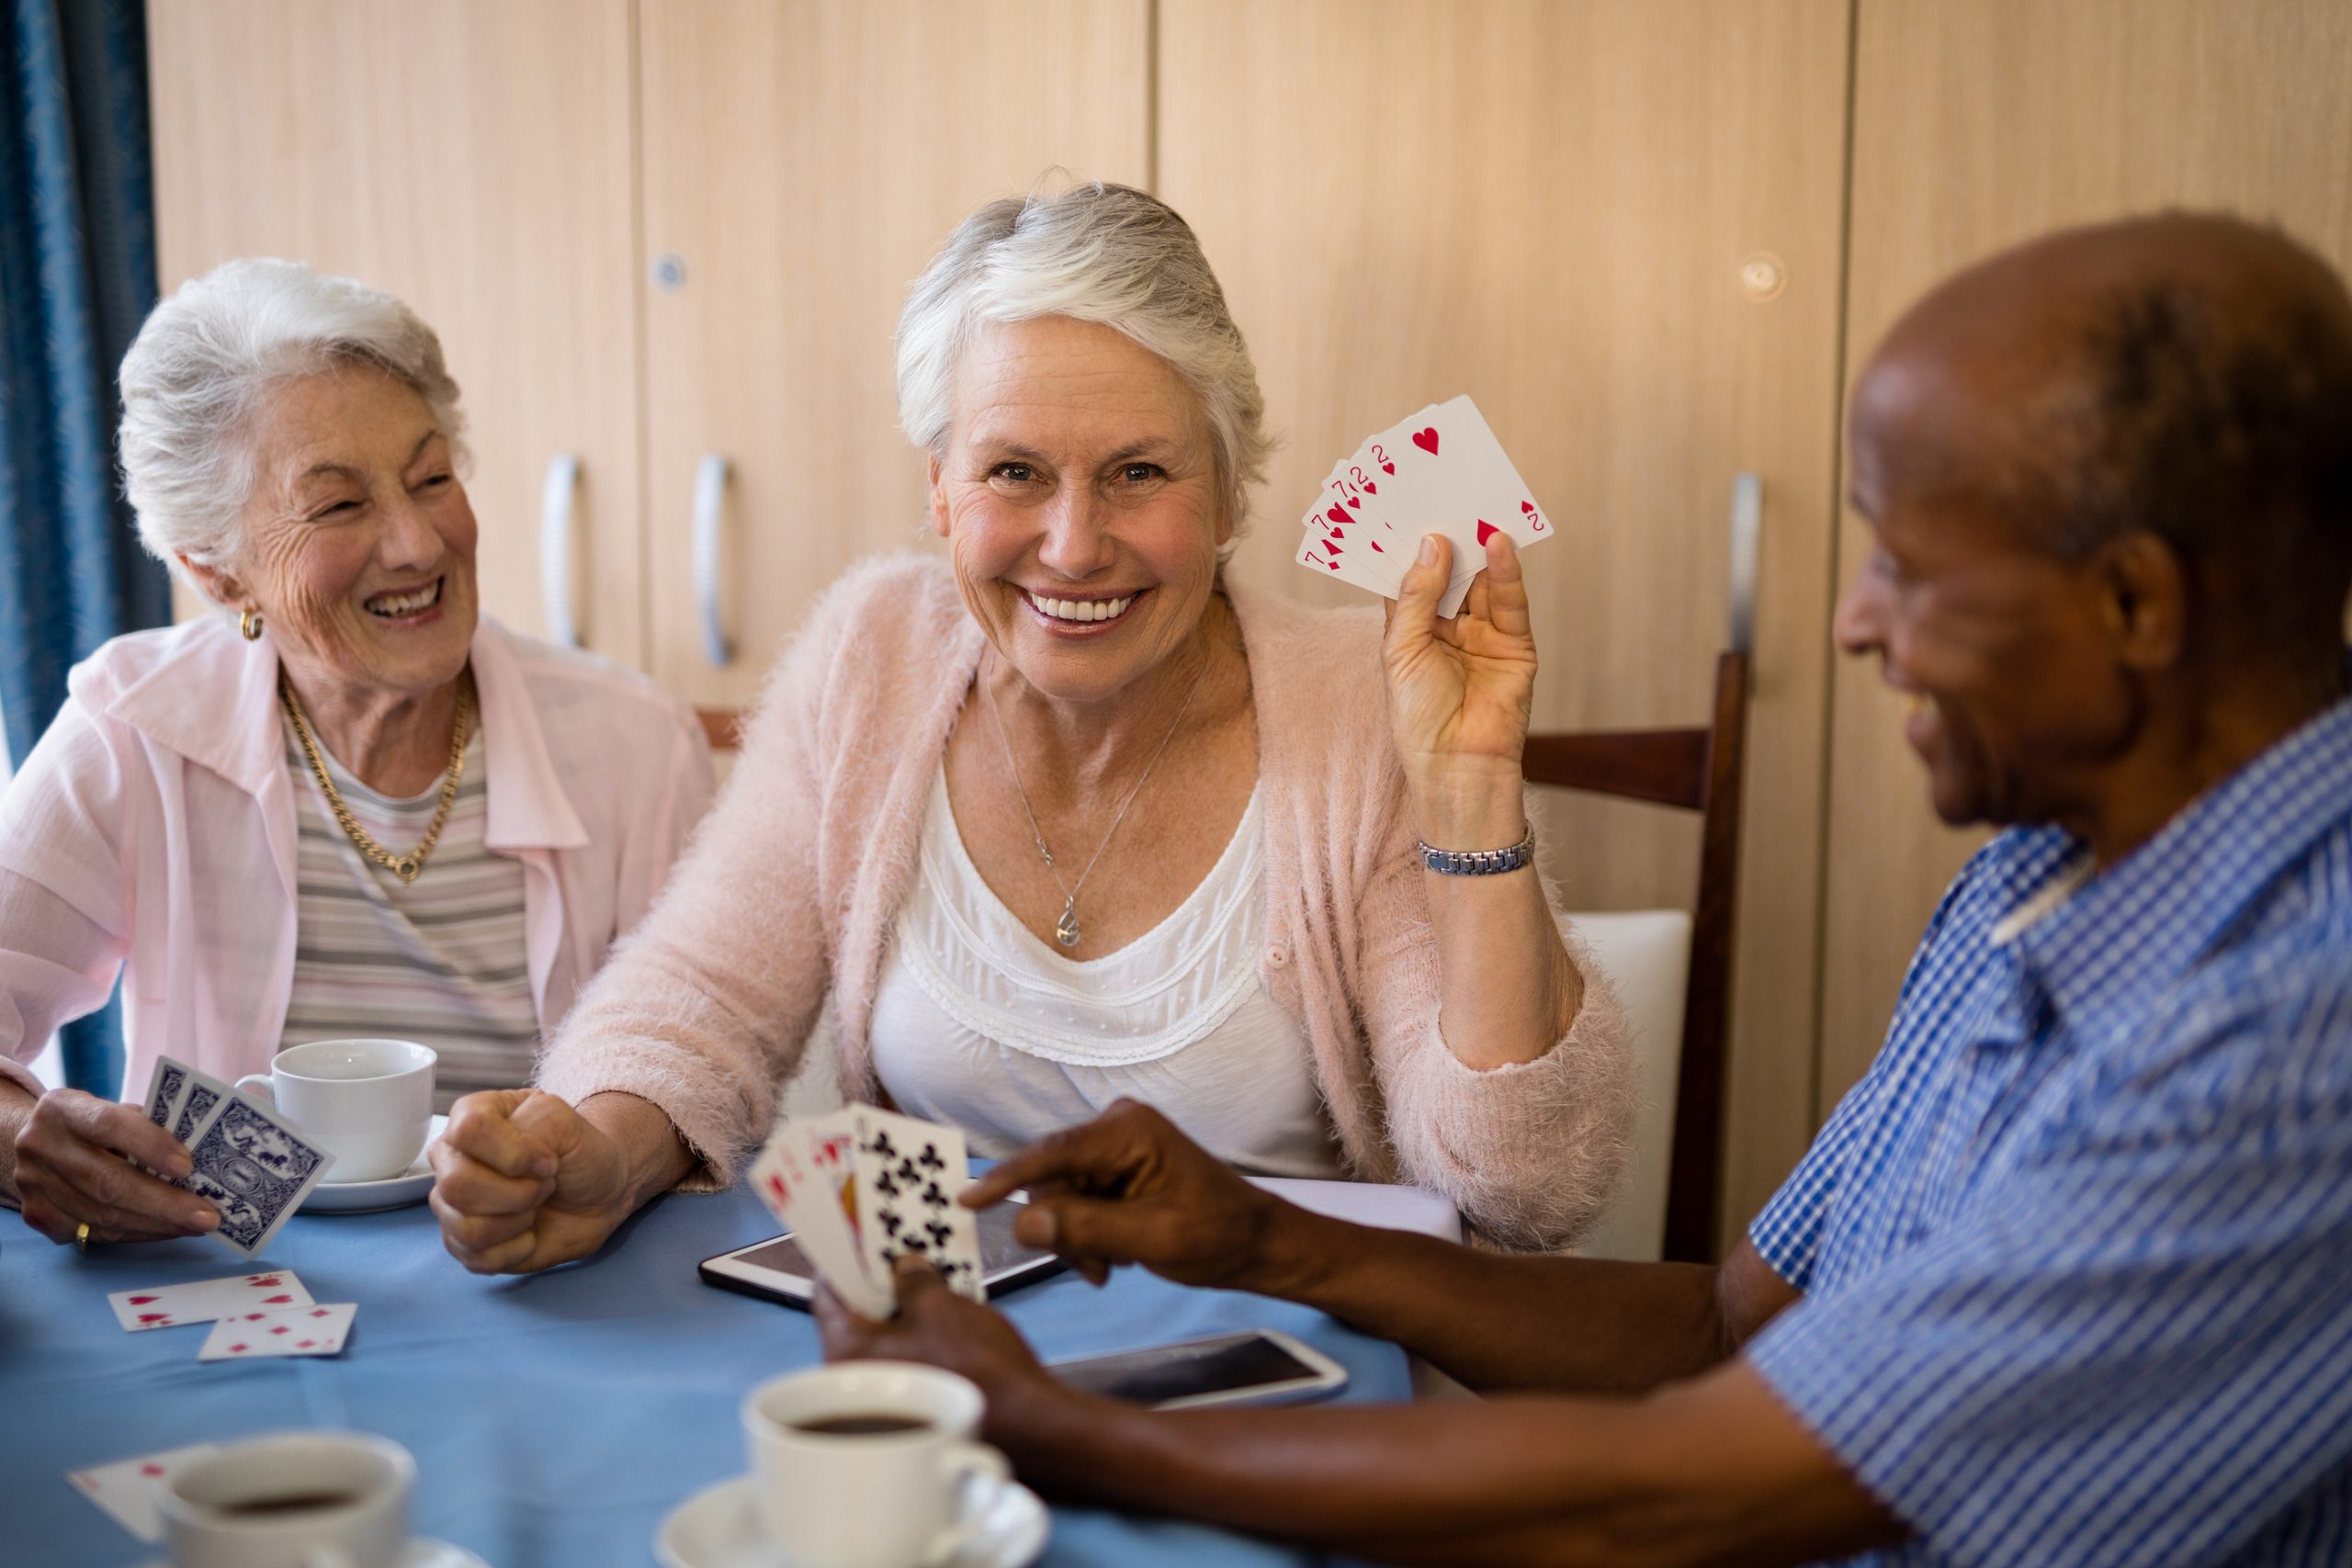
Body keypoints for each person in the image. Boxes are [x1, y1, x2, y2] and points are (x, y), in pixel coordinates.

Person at [819, 211, 2352, 1566]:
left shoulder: (2304, 1025)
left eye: (1908, 561)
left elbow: (1691, 1497)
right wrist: (1274, 1240)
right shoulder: (2039, 874)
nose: (1854, 622)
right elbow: (1728, 1333)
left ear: (2136, 600)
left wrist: (1056, 1425)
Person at [427, 181, 1636, 1275]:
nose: (1071, 544)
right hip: (936, 1366)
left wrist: (1474, 799)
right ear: (939, 487)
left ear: (1228, 495)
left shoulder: (1354, 701)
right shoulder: (872, 653)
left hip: (1266, 1377)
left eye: (1137, 473)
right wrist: (591, 1137)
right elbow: (699, 997)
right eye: (1014, 471)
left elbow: (1521, 1190)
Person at [0, 259, 715, 1249]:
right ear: (216, 569)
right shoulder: (135, 729)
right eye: (339, 506)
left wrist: (607, 1152)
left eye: (431, 478)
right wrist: (17, 1137)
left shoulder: (636, 745)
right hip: (232, 1284)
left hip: (541, 1276)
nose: (419, 544)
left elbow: (697, 1070)